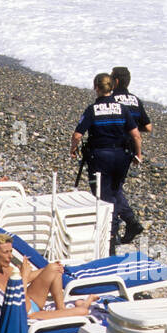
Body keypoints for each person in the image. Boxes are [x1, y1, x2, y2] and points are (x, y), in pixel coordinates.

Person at [71, 73, 143, 248]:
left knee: (103, 195)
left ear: (96, 87)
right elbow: (136, 135)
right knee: (115, 190)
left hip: (100, 156)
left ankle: (112, 233)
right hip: (121, 156)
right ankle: (130, 222)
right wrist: (138, 155)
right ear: (112, 87)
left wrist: (73, 149)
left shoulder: (92, 110)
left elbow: (77, 135)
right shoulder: (122, 109)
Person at [0, 232, 97, 322]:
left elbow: (27, 278)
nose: (10, 256)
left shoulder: (3, 266)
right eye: (6, 252)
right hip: (28, 314)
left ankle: (61, 310)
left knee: (53, 268)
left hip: (31, 301)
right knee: (83, 311)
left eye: (11, 251)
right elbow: (20, 303)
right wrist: (24, 275)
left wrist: (47, 269)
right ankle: (81, 305)